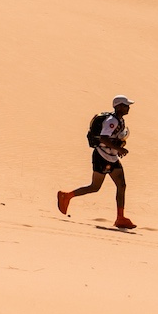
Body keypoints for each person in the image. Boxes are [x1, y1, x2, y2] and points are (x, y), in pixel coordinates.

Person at [57, 95, 135, 229]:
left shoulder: (119, 120)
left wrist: (118, 147)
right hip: (102, 156)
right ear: (118, 106)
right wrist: (118, 149)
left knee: (121, 185)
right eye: (125, 105)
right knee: (95, 187)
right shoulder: (112, 121)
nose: (128, 107)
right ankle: (66, 196)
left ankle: (120, 218)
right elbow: (104, 138)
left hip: (112, 156)